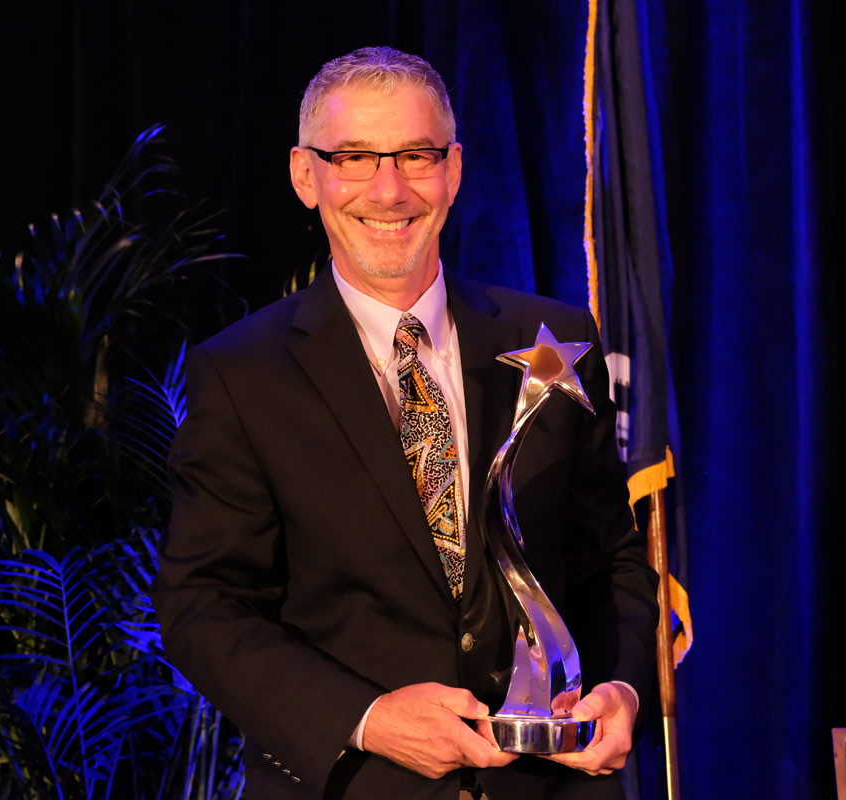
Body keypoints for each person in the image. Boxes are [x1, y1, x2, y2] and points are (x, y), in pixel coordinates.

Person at [150, 47, 658, 800]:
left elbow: (610, 562)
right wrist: (368, 719)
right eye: (353, 157)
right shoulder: (243, 374)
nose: (389, 191)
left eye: (416, 155)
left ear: (453, 170)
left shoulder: (557, 341)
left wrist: (622, 688)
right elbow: (204, 607)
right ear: (305, 176)